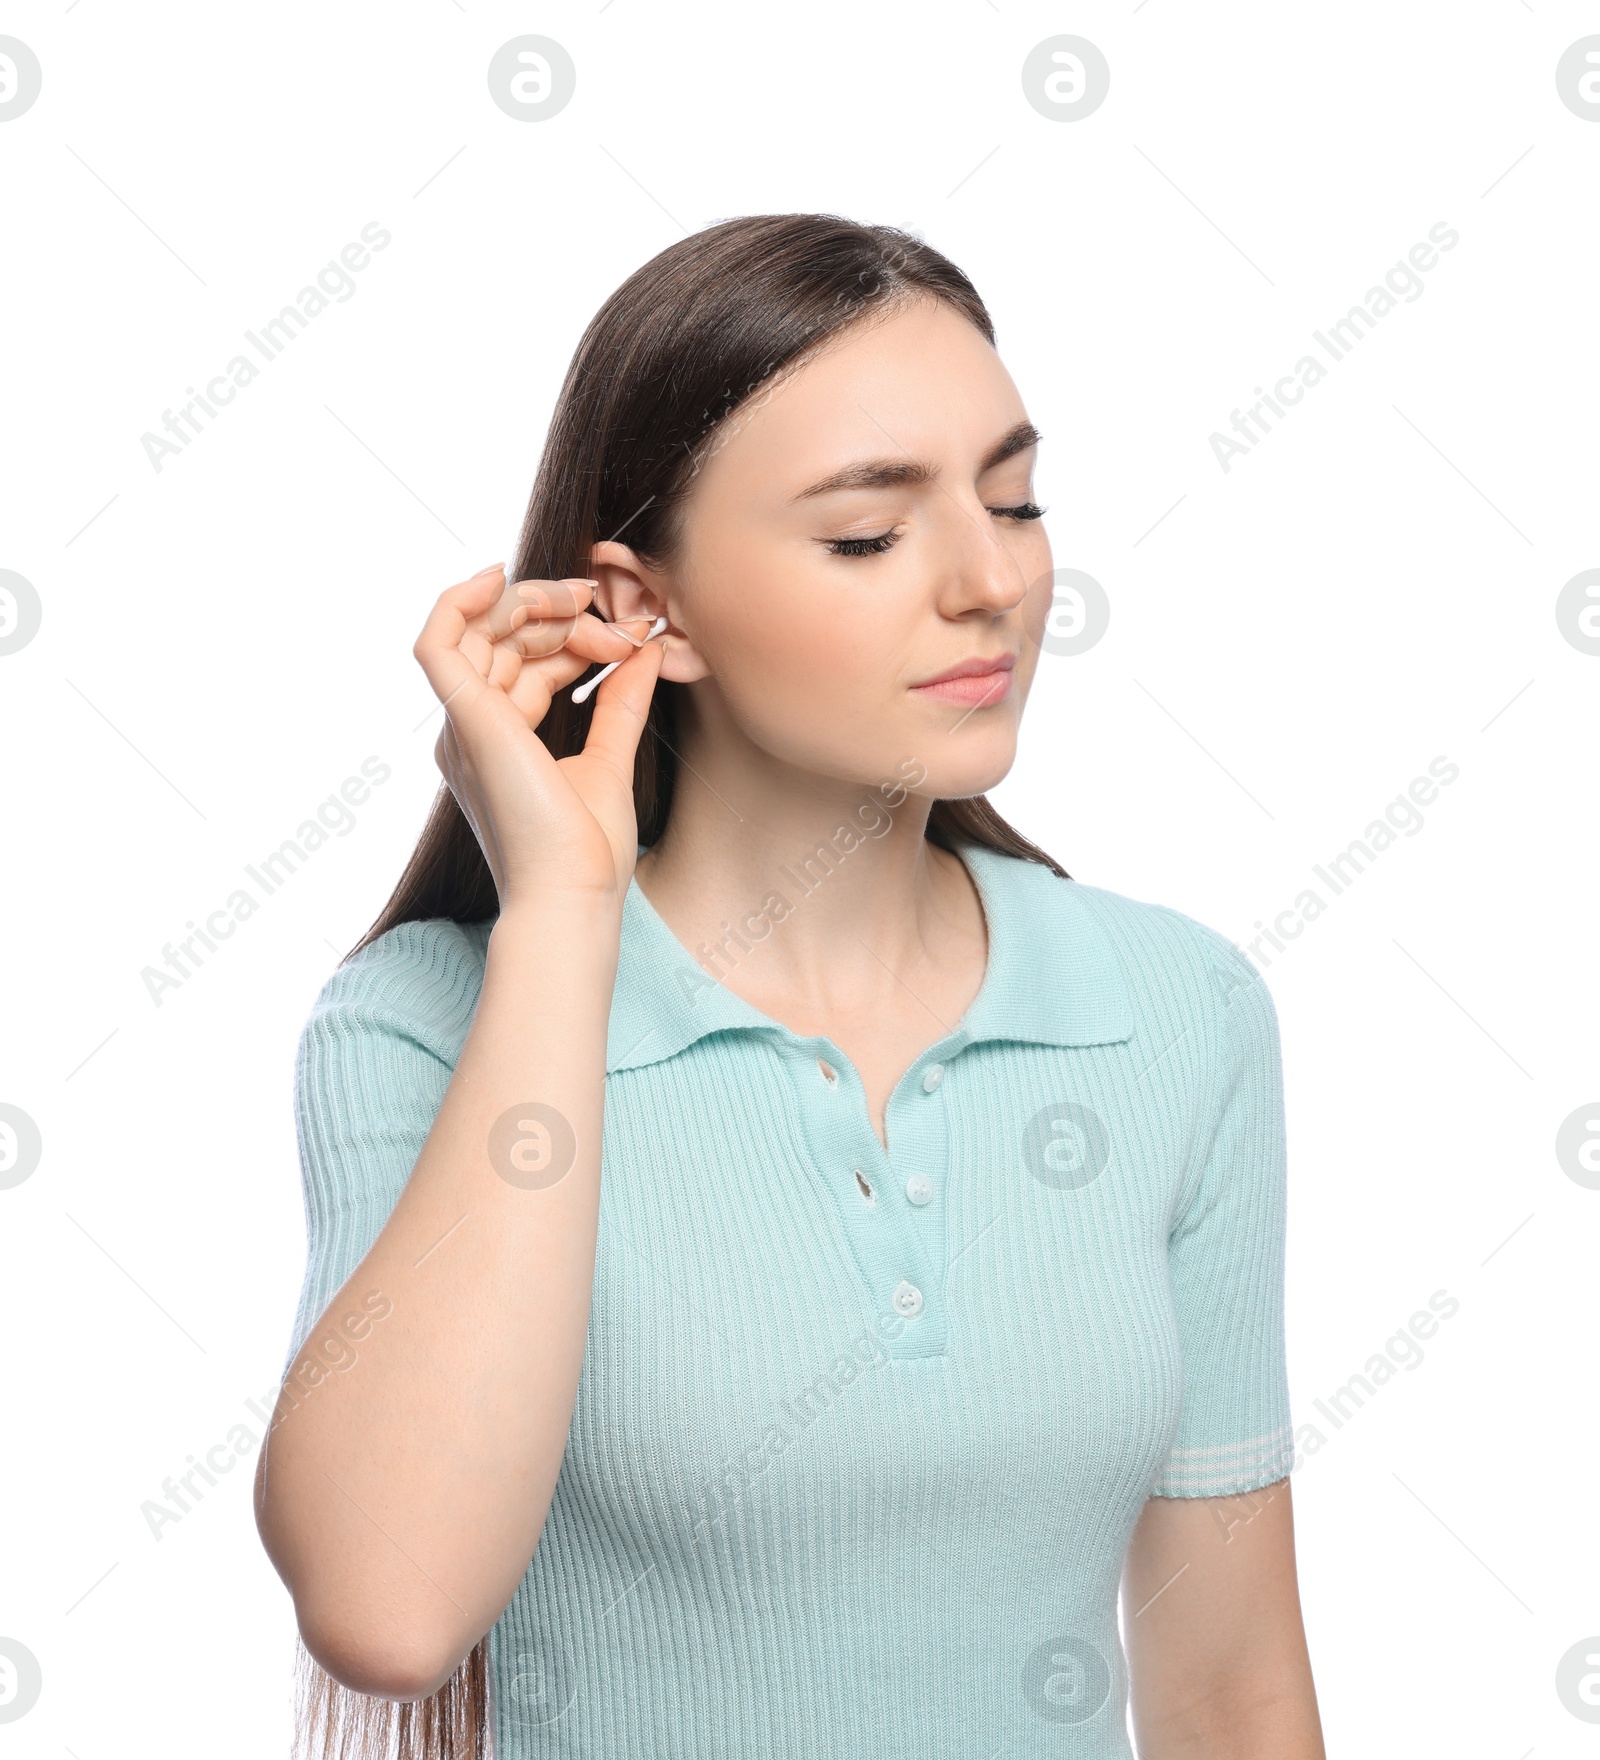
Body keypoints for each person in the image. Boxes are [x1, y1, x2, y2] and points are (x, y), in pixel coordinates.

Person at [254, 213, 1325, 1759]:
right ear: (645, 608)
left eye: (1013, 501)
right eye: (867, 535)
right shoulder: (425, 1024)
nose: (991, 583)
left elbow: (1230, 1689)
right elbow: (390, 1606)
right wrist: (561, 913)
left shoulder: (1177, 1015)